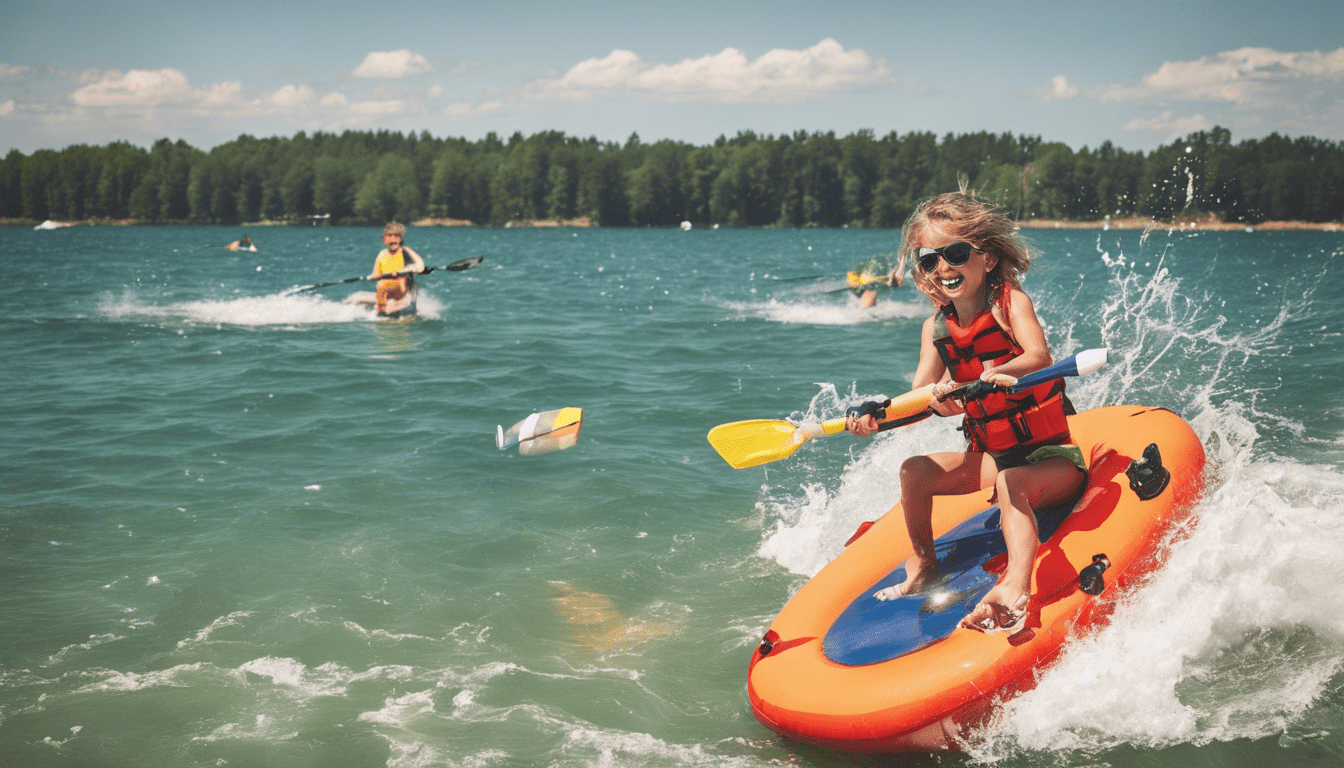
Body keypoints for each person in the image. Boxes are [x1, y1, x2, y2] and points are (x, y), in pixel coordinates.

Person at [844, 190, 1085, 634]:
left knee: (1015, 480)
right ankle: (922, 564)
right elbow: (918, 399)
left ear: (987, 258)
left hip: (1053, 462)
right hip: (995, 460)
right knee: (914, 471)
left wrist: (996, 373)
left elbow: (1038, 356)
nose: (943, 268)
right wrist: (876, 417)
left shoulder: (1011, 303)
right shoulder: (935, 329)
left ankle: (1015, 585)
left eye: (955, 253)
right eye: (928, 260)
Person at [370, 222, 425, 315]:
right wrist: (374, 277)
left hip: (403, 293)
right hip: (385, 292)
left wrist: (414, 269)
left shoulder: (406, 252)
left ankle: (388, 309)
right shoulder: (381, 254)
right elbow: (375, 275)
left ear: (401, 239)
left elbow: (420, 266)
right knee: (380, 285)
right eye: (389, 236)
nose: (392, 239)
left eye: (396, 236)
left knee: (383, 286)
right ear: (384, 240)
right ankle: (382, 308)